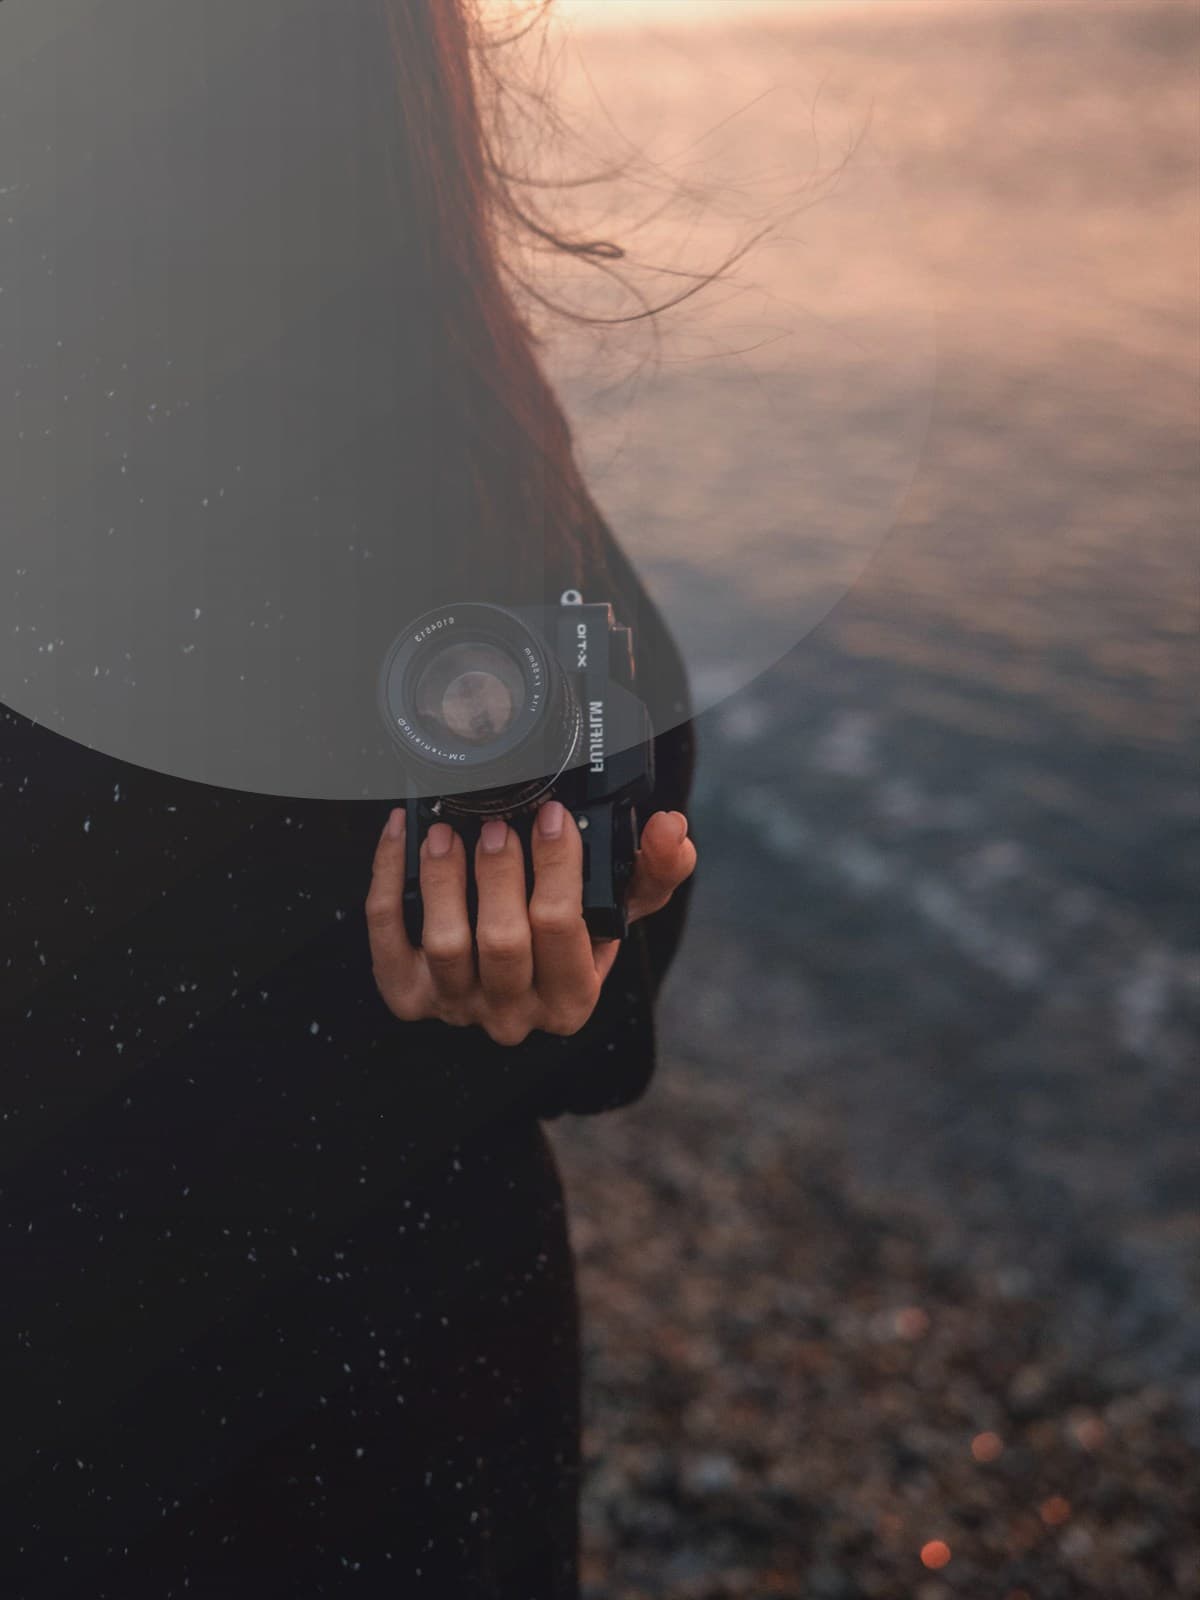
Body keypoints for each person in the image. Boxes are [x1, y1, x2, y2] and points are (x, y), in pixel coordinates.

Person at [1, 1, 696, 1595]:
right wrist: (563, 962)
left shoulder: (437, 389)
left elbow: (632, 861)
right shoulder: (434, 375)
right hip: (388, 1367)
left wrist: (568, 957)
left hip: (353, 1372)